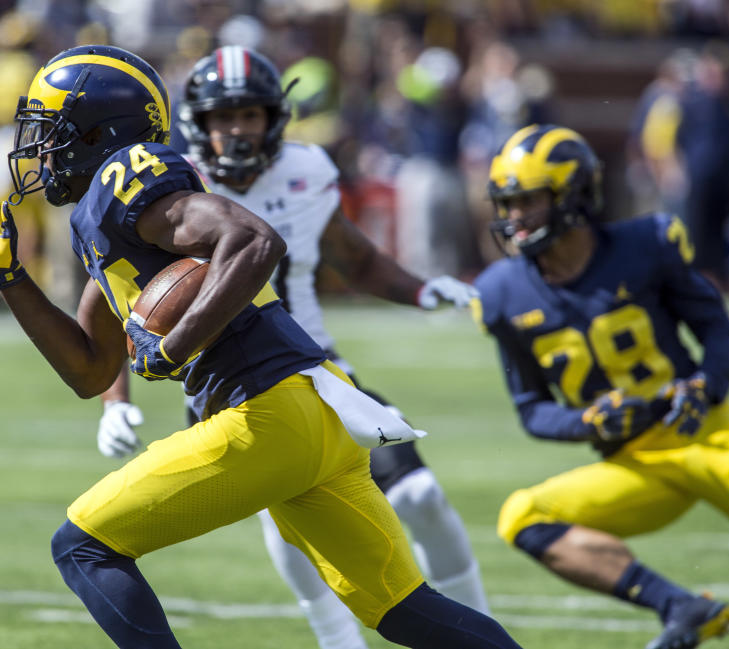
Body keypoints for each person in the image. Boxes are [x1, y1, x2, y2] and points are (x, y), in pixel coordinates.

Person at [0, 44, 524, 649]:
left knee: (83, 545)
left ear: (98, 132)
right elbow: (90, 369)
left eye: (53, 133)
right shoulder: (104, 220)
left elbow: (251, 238)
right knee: (406, 611)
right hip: (319, 410)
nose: (40, 150)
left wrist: (173, 346)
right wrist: (9, 276)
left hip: (265, 412)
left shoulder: (127, 178)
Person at [96, 46, 489, 649]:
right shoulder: (167, 182)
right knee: (291, 530)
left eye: (250, 115)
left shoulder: (307, 169)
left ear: (275, 117)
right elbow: (111, 294)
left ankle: (472, 619)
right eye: (223, 117)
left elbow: (353, 257)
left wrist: (421, 290)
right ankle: (340, 641)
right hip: (224, 383)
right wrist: (112, 398)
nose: (236, 130)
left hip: (321, 368)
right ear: (199, 123)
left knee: (420, 494)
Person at [474, 123, 729, 649]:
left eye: (528, 201)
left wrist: (706, 384)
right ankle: (680, 606)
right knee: (523, 516)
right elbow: (532, 409)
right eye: (507, 204)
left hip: (705, 435)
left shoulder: (646, 244)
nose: (514, 218)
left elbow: (716, 327)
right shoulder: (501, 294)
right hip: (634, 463)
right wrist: (586, 421)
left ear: (573, 193)